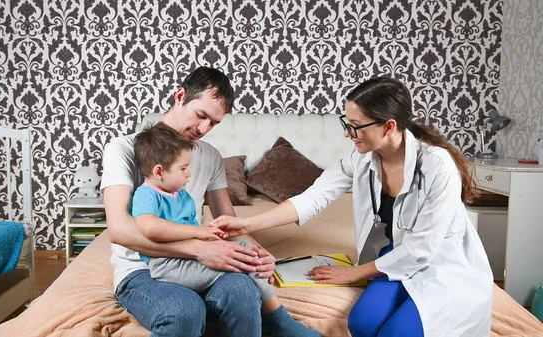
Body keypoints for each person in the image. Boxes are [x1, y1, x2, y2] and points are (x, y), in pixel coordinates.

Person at [211, 77, 493, 337]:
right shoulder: (362, 160)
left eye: (355, 126)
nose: (348, 134)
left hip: (441, 263)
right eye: (346, 123)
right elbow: (313, 197)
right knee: (361, 323)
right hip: (395, 254)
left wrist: (353, 273)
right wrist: (248, 224)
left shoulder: (436, 164)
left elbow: (421, 251)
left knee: (396, 333)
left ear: (389, 126)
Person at [101, 66, 276, 337]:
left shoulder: (211, 156)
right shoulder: (123, 149)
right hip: (141, 268)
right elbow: (119, 229)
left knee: (243, 291)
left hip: (196, 264)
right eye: (201, 115)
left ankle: (280, 323)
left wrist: (258, 254)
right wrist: (198, 248)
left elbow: (227, 224)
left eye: (214, 123)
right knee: (184, 309)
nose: (204, 128)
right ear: (180, 96)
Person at [131, 122, 320, 337]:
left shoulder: (180, 194)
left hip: (188, 257)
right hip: (167, 265)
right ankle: (276, 318)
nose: (189, 174)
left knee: (243, 249)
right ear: (158, 171)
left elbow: (192, 229)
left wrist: (213, 236)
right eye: (183, 169)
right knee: (240, 263)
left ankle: (272, 312)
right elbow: (149, 227)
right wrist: (199, 233)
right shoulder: (146, 194)